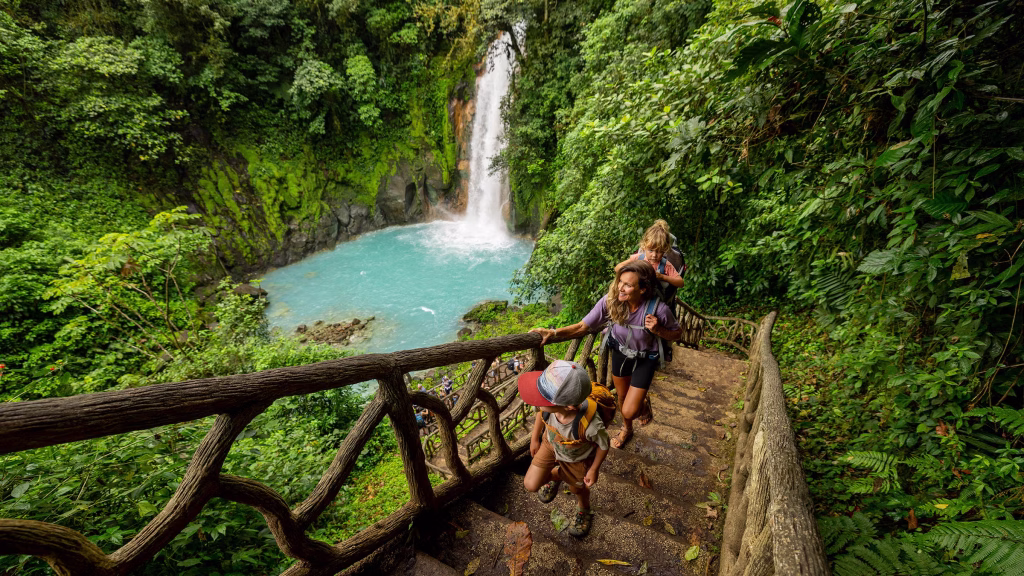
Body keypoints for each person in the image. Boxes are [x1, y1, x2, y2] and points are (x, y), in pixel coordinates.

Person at [532, 260, 682, 449]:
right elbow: (582, 326)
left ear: (643, 289)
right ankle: (627, 429)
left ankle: (641, 405)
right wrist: (553, 332)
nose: (620, 287)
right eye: (620, 281)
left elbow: (677, 333)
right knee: (621, 397)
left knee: (629, 408)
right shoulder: (611, 301)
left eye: (628, 285)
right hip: (620, 351)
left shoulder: (659, 310)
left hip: (646, 357)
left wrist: (659, 329)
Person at [519, 359, 610, 538]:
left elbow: (603, 445)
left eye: (542, 398)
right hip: (550, 444)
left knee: (577, 488)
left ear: (568, 406)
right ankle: (560, 475)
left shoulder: (590, 426)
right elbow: (541, 413)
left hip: (576, 458)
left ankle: (584, 508)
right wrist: (534, 438)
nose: (537, 402)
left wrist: (594, 469)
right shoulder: (548, 409)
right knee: (531, 484)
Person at [614, 219, 683, 291]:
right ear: (644, 247)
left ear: (664, 250)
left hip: (654, 299)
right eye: (651, 250)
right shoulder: (638, 258)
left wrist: (663, 277)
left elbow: (681, 283)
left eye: (659, 252)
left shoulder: (665, 265)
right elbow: (617, 268)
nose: (654, 255)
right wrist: (633, 271)